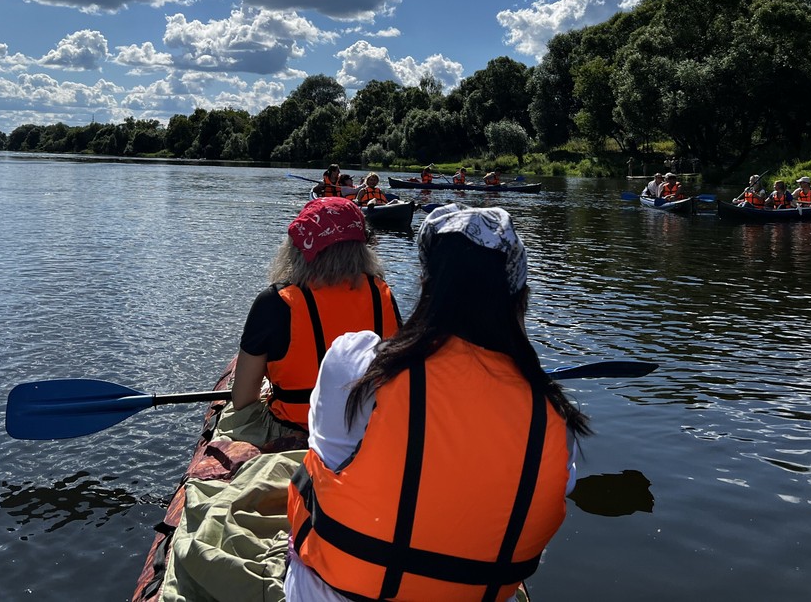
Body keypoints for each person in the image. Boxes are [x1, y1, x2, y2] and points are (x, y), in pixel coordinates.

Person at [286, 204, 590, 601]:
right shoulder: (555, 421)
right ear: (520, 298)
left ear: (427, 283)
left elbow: (325, 466)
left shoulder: (356, 364)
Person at [230, 196, 402, 444]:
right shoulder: (382, 293)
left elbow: (243, 399)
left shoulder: (276, 302)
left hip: (294, 429)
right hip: (369, 431)